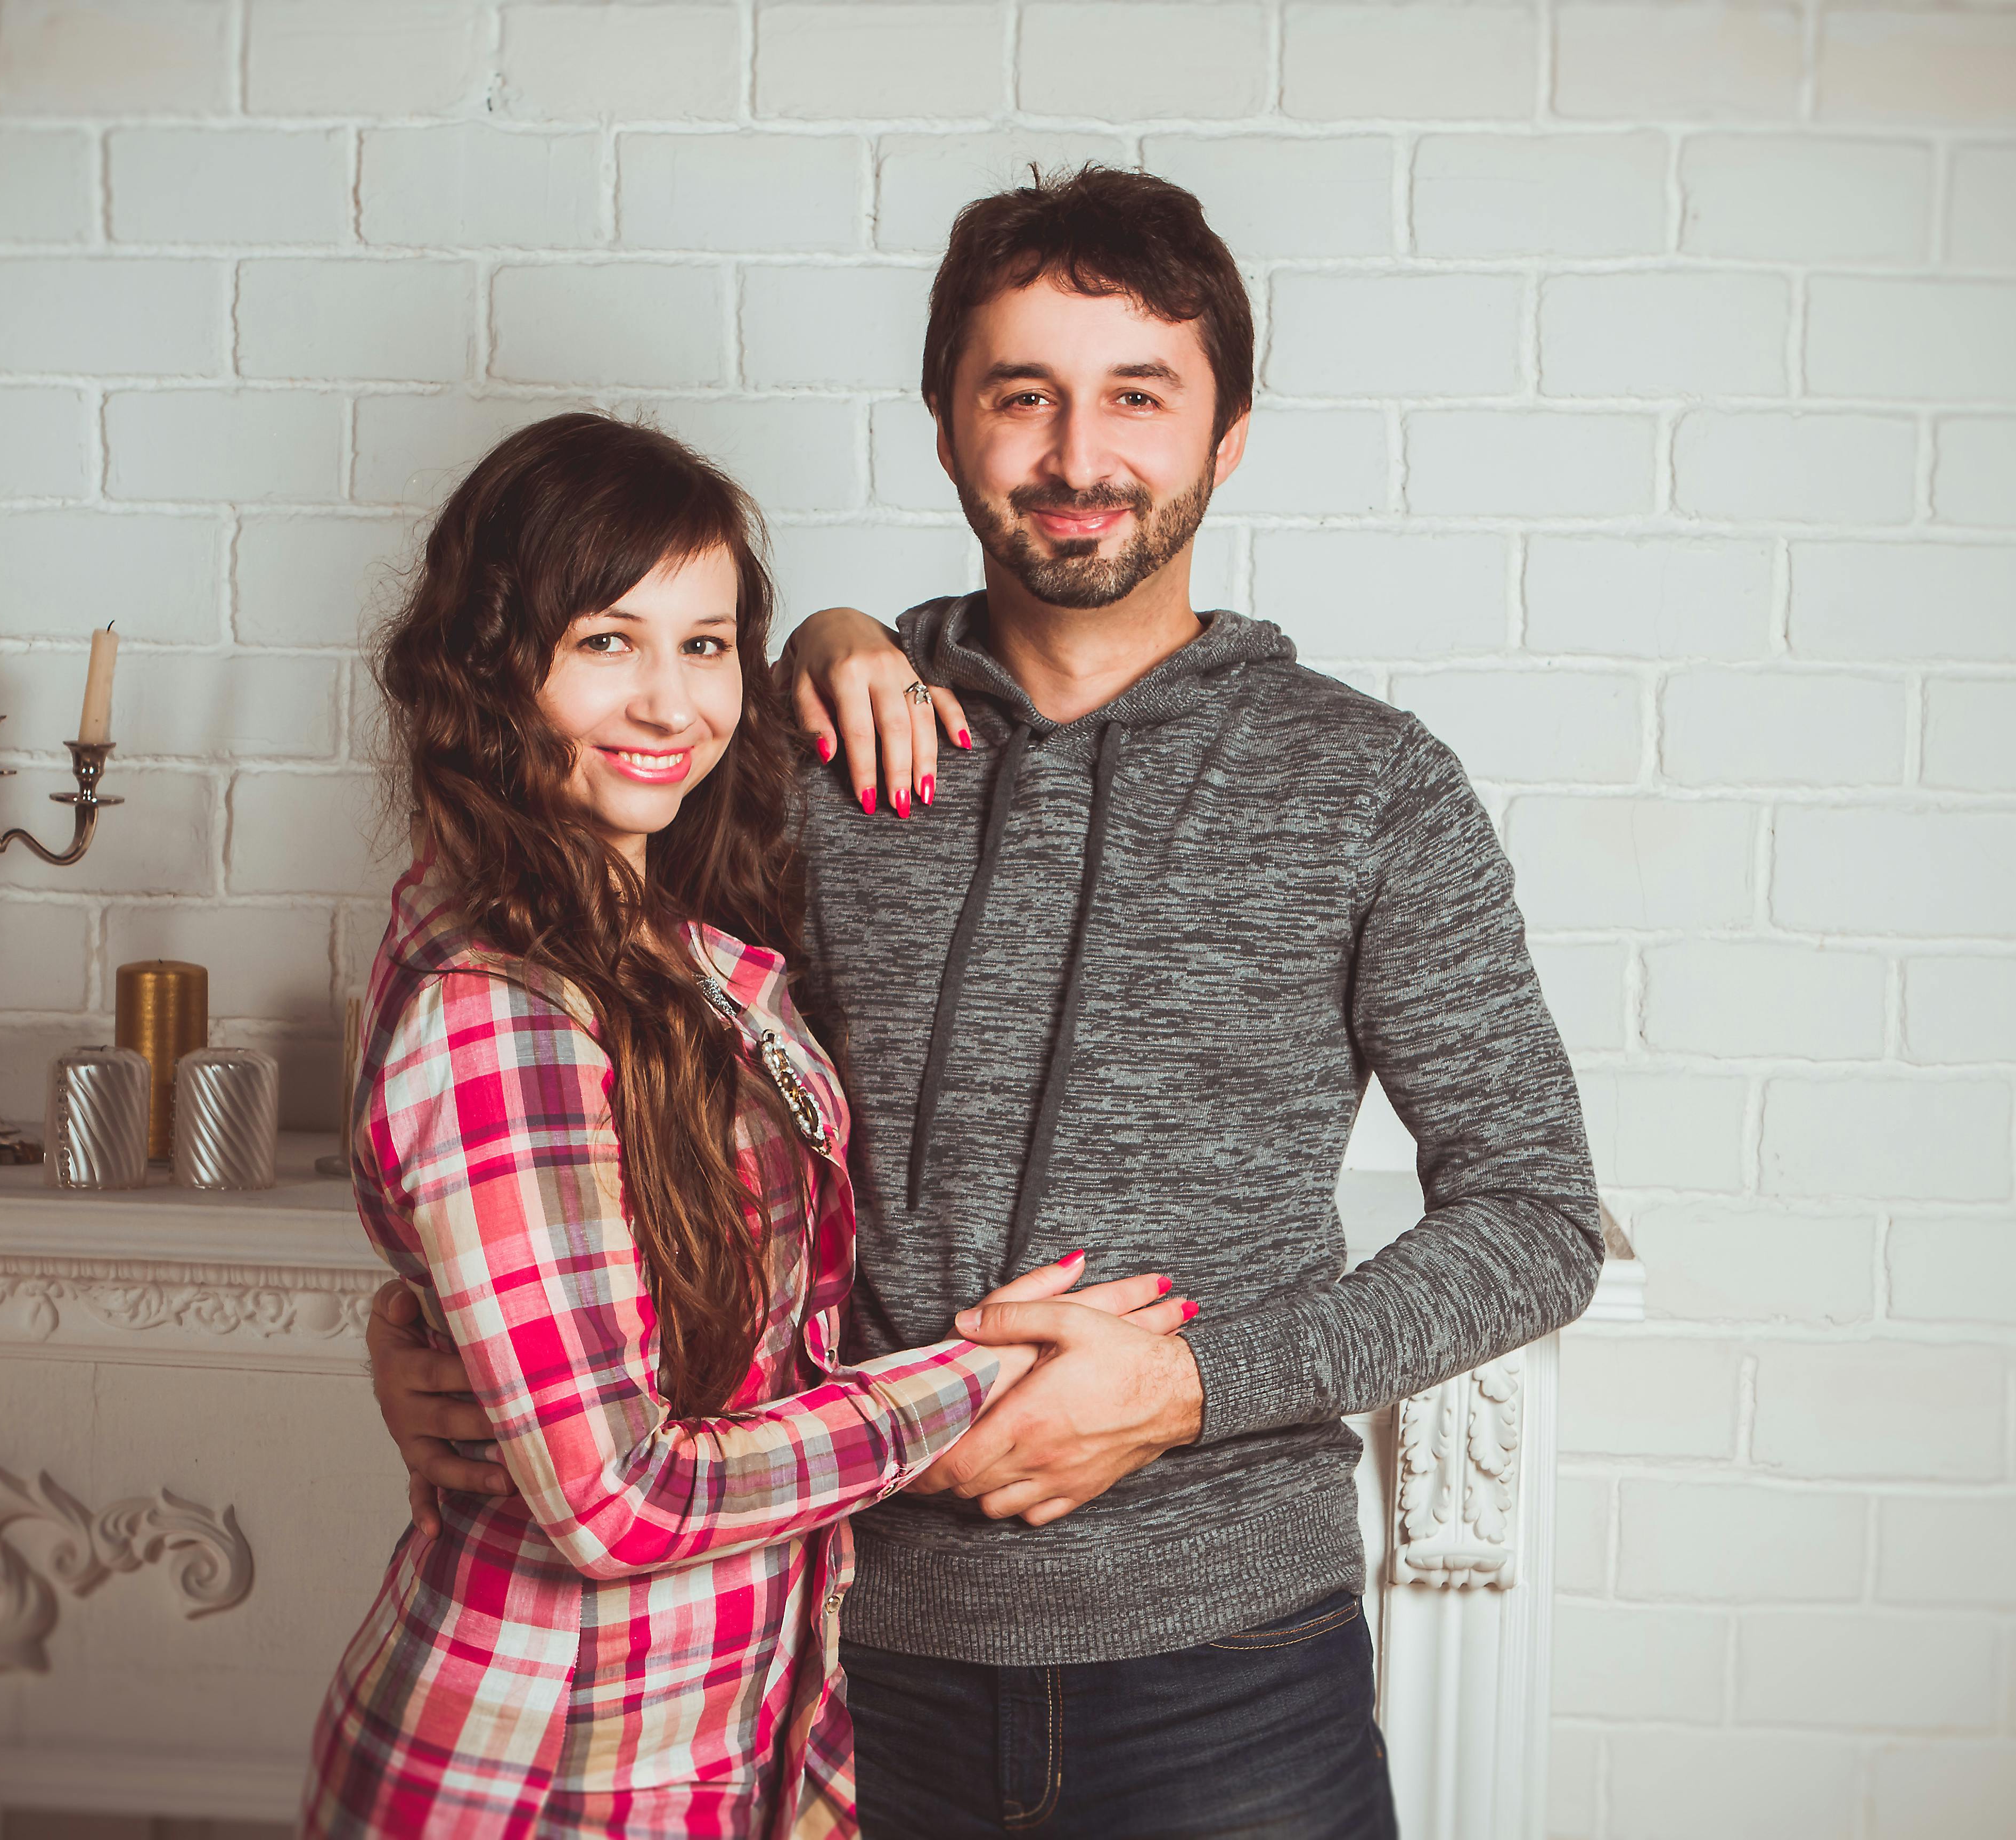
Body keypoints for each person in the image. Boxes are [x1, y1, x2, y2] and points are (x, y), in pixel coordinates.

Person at [367, 168, 1603, 1836]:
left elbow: (1536, 1219)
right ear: (947, 427)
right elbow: (564, 1092)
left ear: (1228, 436)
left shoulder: (1368, 787)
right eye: (1022, 396)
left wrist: (1191, 1389)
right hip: (824, 1659)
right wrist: (414, 1335)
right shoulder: (780, 756)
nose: (1080, 457)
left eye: (1138, 399)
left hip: (1231, 1669)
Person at [303, 412, 1190, 1839]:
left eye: (704, 644)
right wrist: (976, 1381)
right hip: (538, 1773)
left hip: (712, 1741)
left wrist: (840, 636)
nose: (669, 706)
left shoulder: (655, 929)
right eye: (606, 642)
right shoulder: (501, 1007)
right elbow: (619, 1508)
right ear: (489, 664)